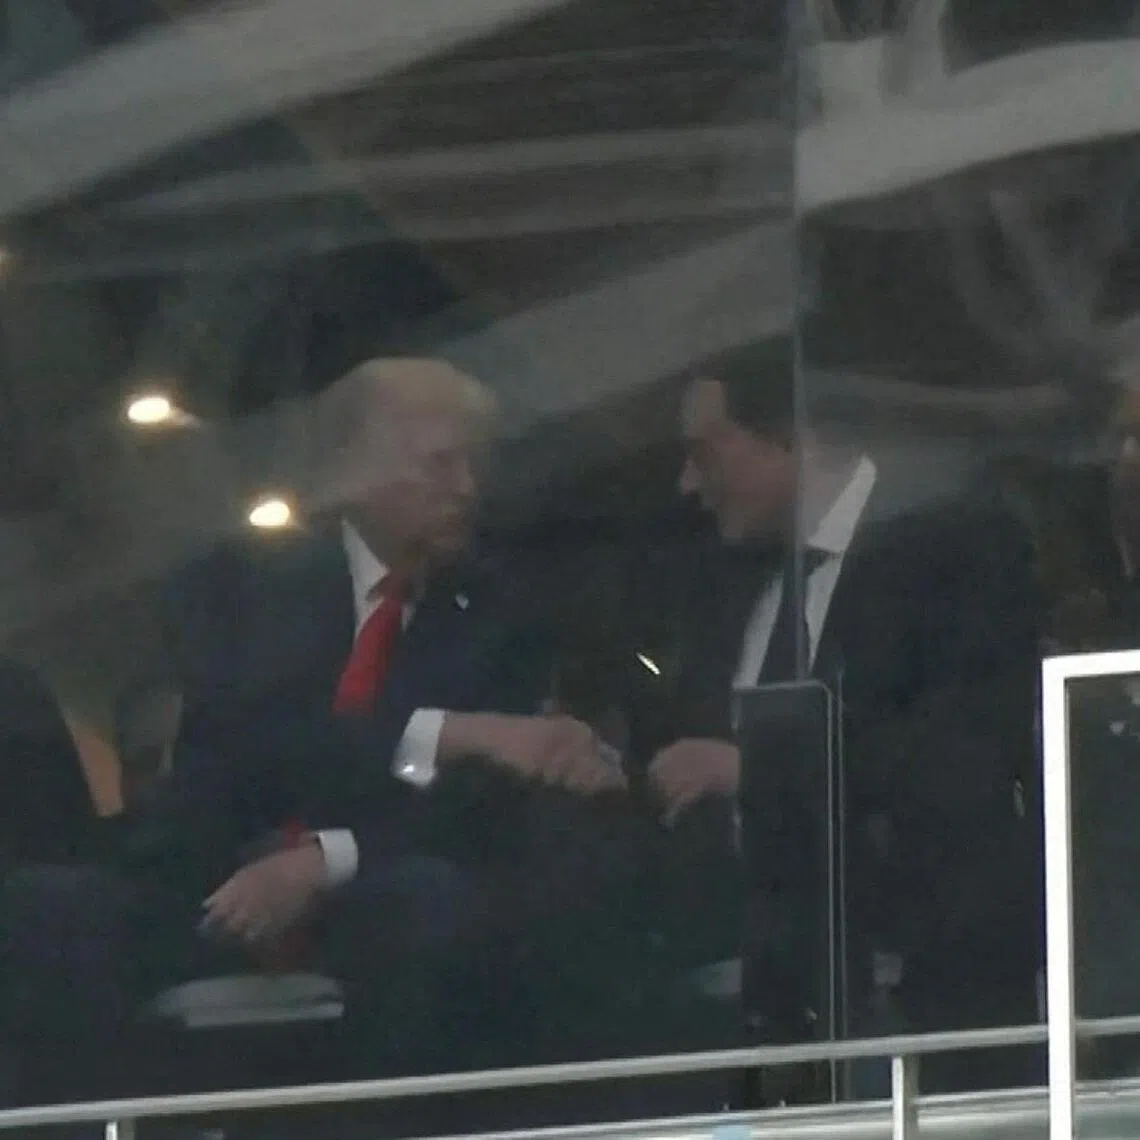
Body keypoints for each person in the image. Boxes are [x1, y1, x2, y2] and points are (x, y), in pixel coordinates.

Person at [0, 356, 637, 1102]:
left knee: (436, 903)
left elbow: (482, 807)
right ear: (352, 468)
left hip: (378, 886)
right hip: (217, 872)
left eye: (474, 464)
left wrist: (326, 860)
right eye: (439, 463)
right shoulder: (237, 585)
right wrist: (453, 731)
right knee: (51, 906)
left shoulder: (502, 614)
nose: (466, 488)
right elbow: (258, 743)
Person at [646, 340, 1043, 1093]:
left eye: (705, 452)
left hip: (921, 1006)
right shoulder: (730, 585)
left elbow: (966, 754)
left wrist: (755, 766)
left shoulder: (955, 546)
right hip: (763, 1006)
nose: (688, 483)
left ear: (790, 433)